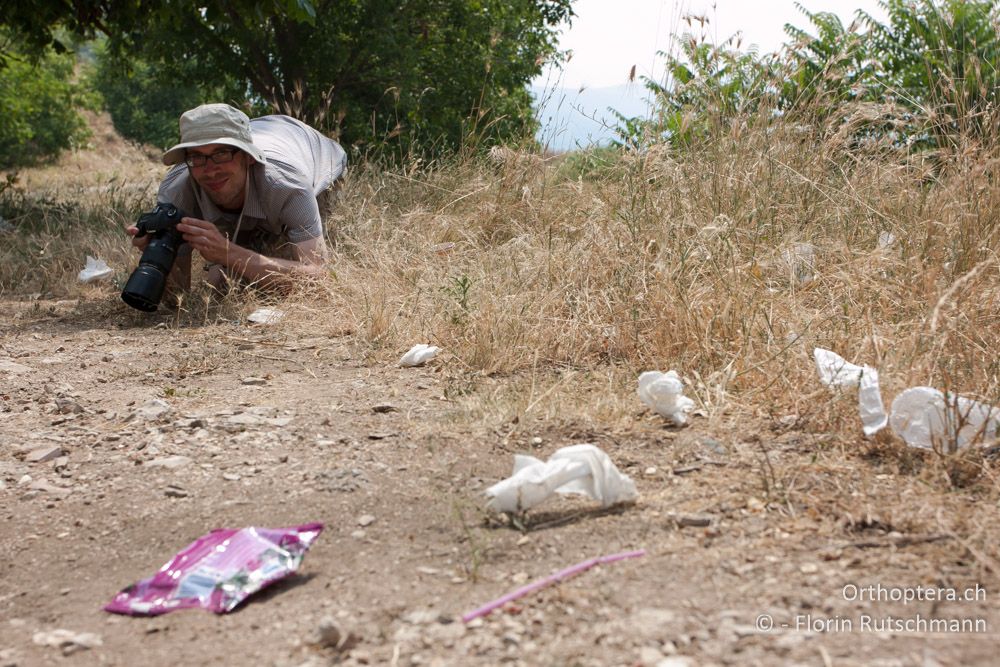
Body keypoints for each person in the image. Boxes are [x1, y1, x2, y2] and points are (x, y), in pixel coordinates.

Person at [127, 103, 347, 292]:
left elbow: (320, 280)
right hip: (262, 156)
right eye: (197, 157)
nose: (210, 170)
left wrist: (229, 253)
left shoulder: (287, 184)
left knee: (281, 251)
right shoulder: (176, 191)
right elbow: (180, 294)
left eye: (222, 154)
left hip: (317, 155)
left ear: (249, 157)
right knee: (219, 282)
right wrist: (154, 255)